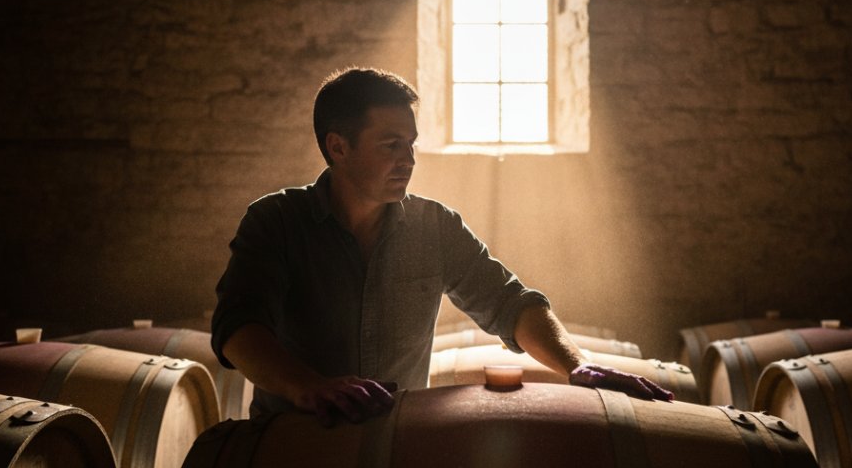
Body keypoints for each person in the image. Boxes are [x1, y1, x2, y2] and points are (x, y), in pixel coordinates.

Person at [211, 67, 672, 426]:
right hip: (294, 444)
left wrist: (576, 366)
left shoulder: (434, 227)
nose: (408, 161)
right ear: (338, 147)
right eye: (391, 145)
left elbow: (510, 303)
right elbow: (238, 328)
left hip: (394, 446)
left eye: (411, 145)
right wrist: (308, 388)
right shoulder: (276, 223)